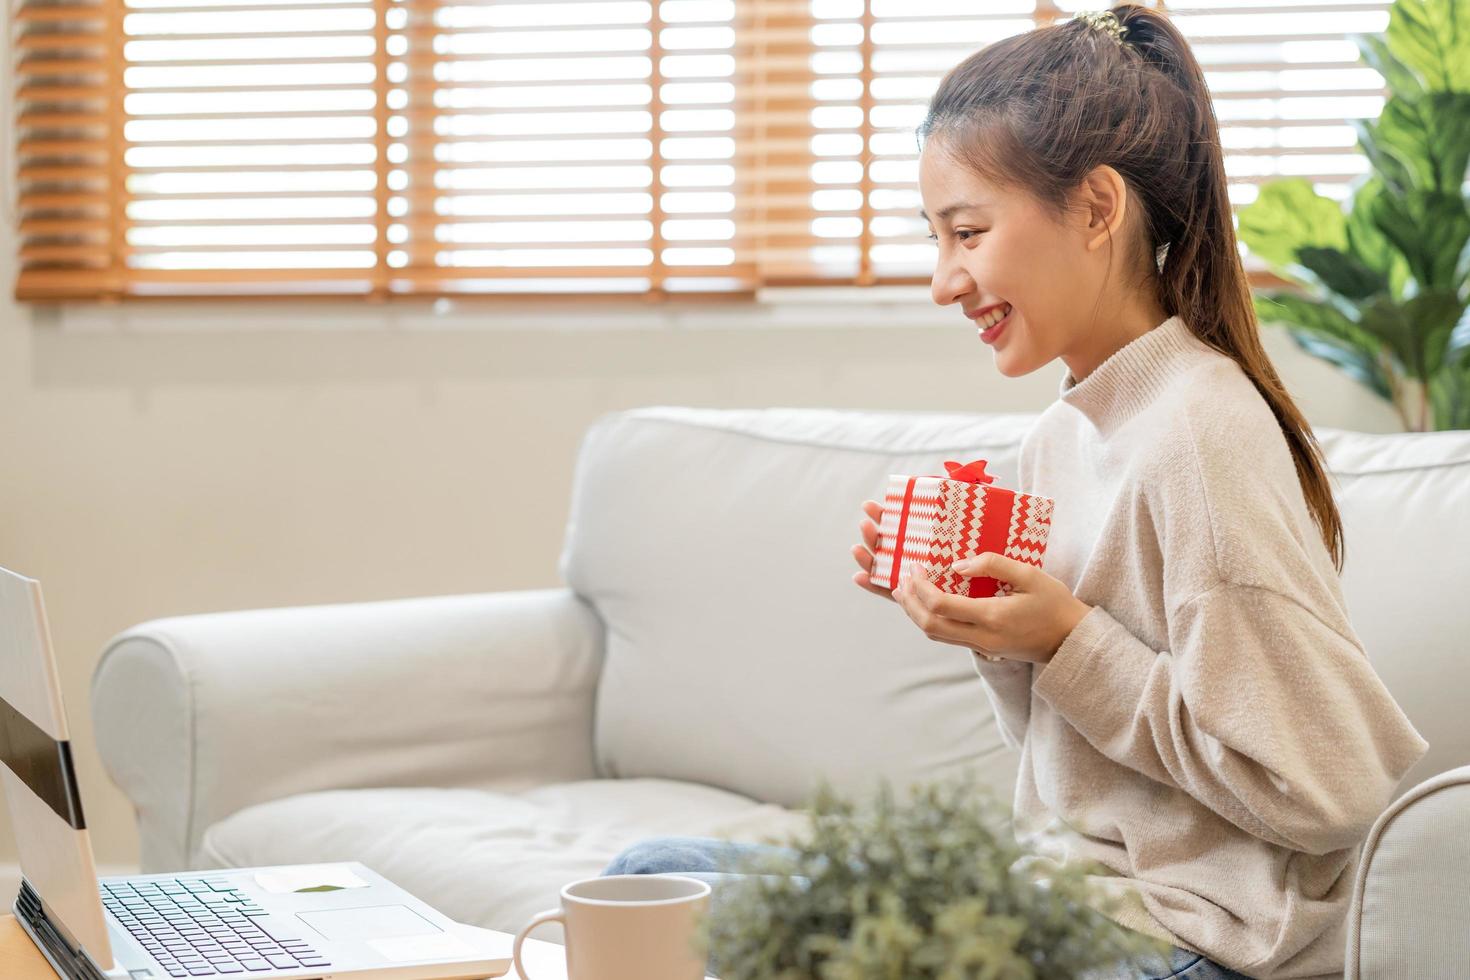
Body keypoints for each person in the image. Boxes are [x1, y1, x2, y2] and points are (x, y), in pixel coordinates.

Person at [602, 6, 1430, 978]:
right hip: (1060, 896)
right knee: (648, 878)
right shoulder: (1062, 435)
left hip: (1198, 937)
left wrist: (1067, 639)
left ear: (1095, 209)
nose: (944, 281)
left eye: (968, 232)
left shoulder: (1203, 434)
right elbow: (1078, 764)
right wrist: (999, 631)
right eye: (936, 238)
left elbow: (1328, 786)